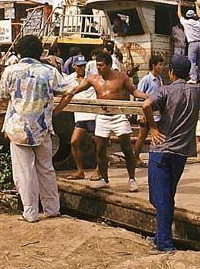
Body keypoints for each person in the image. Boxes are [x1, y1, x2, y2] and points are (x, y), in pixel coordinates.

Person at [141, 54, 200, 253]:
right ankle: (160, 237)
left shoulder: (165, 90)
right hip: (181, 153)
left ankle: (164, 244)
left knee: (159, 198)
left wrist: (153, 128)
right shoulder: (197, 91)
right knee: (167, 196)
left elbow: (146, 105)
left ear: (171, 72)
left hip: (161, 151)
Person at [0, 35, 67, 223]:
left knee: (24, 171)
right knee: (46, 168)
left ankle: (31, 213)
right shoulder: (49, 71)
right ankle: (52, 209)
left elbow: (3, 96)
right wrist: (55, 111)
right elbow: (68, 90)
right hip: (42, 127)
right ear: (40, 52)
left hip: (18, 128)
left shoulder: (10, 71)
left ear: (19, 51)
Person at [58, 52, 148, 191]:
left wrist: (148, 97)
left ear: (109, 65)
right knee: (100, 150)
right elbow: (75, 89)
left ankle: (131, 179)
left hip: (119, 115)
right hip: (102, 116)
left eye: (101, 65)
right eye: (97, 65)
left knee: (126, 148)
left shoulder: (121, 77)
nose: (99, 68)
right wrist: (64, 95)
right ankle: (105, 180)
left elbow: (134, 92)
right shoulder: (93, 79)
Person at [62, 56, 100, 181]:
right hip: (79, 115)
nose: (82, 68)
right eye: (79, 66)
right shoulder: (68, 79)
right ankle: (80, 171)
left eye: (83, 65)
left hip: (93, 115)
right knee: (74, 141)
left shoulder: (92, 78)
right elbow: (62, 91)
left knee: (98, 142)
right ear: (74, 66)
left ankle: (99, 169)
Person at [134, 55, 166, 162]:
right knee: (141, 137)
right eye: (160, 65)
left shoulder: (159, 79)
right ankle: (135, 159)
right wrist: (141, 114)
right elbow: (138, 95)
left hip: (156, 114)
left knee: (157, 136)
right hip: (146, 113)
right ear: (153, 66)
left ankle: (156, 158)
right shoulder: (146, 79)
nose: (162, 67)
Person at [177, 1, 200, 84]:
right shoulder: (198, 23)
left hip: (192, 44)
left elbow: (179, 15)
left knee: (192, 62)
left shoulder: (186, 23)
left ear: (187, 16)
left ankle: (193, 78)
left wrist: (179, 6)